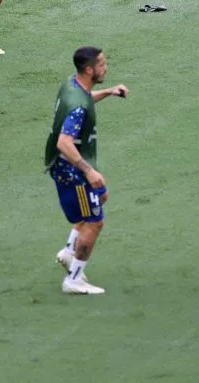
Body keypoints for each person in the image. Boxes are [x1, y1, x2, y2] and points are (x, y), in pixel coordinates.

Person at [45, 47, 129, 295]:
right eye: (102, 64)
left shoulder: (71, 85)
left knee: (86, 214)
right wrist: (89, 172)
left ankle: (69, 252)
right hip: (72, 169)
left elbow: (86, 97)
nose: (106, 67)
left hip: (61, 165)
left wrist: (109, 91)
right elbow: (64, 142)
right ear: (90, 69)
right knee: (94, 222)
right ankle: (74, 279)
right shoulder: (78, 106)